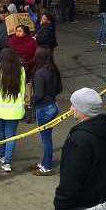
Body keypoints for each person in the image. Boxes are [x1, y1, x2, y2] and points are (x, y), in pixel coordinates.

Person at [54, 88, 106, 209]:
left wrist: (61, 203)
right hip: (102, 199)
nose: (71, 109)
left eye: (74, 105)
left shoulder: (79, 140)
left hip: (81, 203)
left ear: (83, 110)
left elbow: (71, 177)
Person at [0, 48, 26, 172]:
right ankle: (7, 161)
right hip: (14, 110)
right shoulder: (21, 71)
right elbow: (23, 90)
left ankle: (1, 155)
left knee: (0, 132)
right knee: (11, 135)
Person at [31, 47, 61, 176]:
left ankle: (46, 166)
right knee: (47, 137)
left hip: (44, 108)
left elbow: (38, 94)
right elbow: (59, 88)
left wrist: (31, 101)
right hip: (53, 105)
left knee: (46, 139)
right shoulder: (53, 70)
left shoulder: (39, 73)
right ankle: (45, 161)